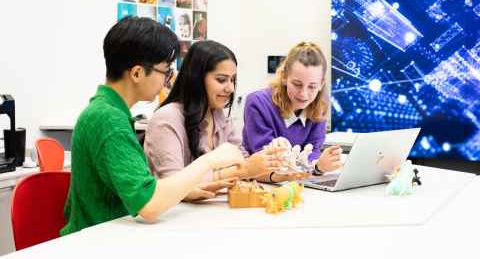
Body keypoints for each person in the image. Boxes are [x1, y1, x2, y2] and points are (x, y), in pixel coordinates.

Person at [61, 17, 244, 236]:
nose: (168, 80)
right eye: (165, 72)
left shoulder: (108, 112)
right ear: (137, 73)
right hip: (100, 242)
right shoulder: (109, 120)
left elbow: (144, 189)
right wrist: (211, 160)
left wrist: (185, 190)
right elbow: (149, 205)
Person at [144, 40, 284, 201]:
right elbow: (173, 184)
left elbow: (242, 161)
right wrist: (242, 171)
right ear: (196, 78)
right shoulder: (167, 119)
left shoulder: (221, 117)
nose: (230, 88)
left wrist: (271, 161)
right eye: (221, 79)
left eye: (232, 80)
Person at [242, 42, 343, 183]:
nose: (304, 94)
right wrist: (314, 166)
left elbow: (313, 153)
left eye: (312, 86)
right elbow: (266, 161)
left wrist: (319, 165)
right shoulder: (257, 102)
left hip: (298, 184)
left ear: (321, 84)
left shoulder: (319, 107)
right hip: (262, 184)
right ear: (284, 77)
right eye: (297, 84)